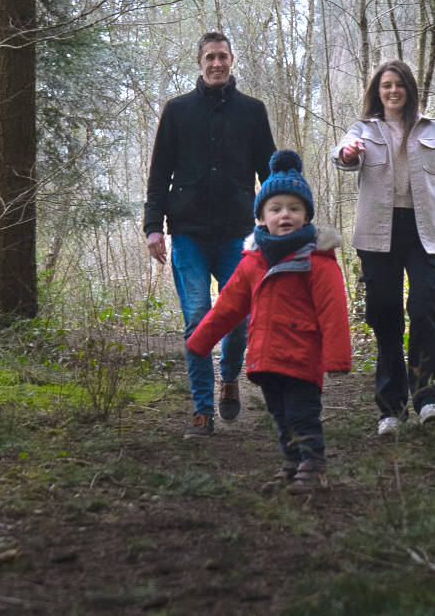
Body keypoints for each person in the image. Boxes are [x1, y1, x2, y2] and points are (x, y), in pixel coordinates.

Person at [187, 150, 351, 492]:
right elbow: (227, 307)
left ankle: (314, 465)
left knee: (302, 414)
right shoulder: (252, 261)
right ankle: (292, 463)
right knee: (279, 415)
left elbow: (333, 310)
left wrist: (336, 357)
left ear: (306, 216)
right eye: (276, 209)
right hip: (266, 358)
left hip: (303, 356)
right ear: (262, 218)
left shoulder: (316, 260)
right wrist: (200, 341)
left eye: (294, 208)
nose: (285, 215)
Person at [144, 31, 277, 439]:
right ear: (199, 62)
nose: (216, 64)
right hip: (188, 234)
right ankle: (202, 411)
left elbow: (270, 174)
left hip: (239, 234)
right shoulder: (177, 111)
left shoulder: (253, 112)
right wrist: (153, 227)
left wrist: (280, 222)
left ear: (232, 59)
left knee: (238, 320)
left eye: (222, 57)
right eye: (209, 58)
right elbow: (158, 174)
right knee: (198, 320)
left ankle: (230, 377)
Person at [331, 60, 435, 435]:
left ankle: (430, 401)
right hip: (377, 235)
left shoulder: (433, 131)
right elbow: (344, 155)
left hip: (424, 232)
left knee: (426, 306)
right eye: (385, 86)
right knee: (385, 316)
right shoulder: (363, 129)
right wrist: (348, 154)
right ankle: (391, 409)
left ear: (409, 90)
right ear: (377, 92)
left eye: (399, 85)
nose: (392, 91)